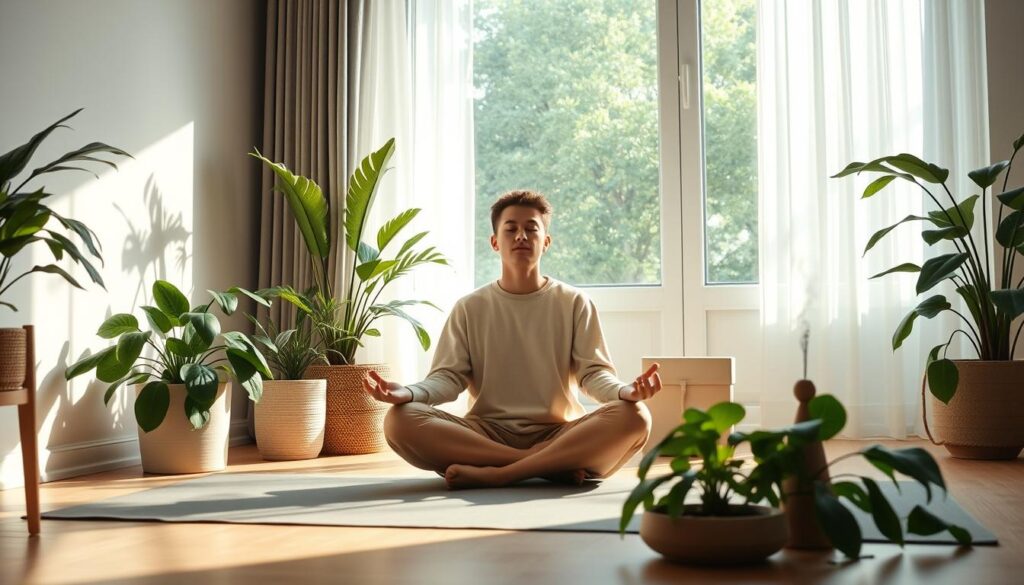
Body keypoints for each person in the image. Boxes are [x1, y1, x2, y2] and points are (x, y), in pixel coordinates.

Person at [363, 190, 662, 489]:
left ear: (546, 242)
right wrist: (410, 393)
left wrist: (625, 392)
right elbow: (448, 377)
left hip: (559, 433)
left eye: (531, 229)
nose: (521, 236)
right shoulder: (470, 307)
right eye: (511, 229)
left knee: (635, 416)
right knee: (399, 421)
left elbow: (593, 374)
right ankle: (546, 465)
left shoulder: (574, 302)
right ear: (495, 242)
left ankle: (501, 473)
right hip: (484, 433)